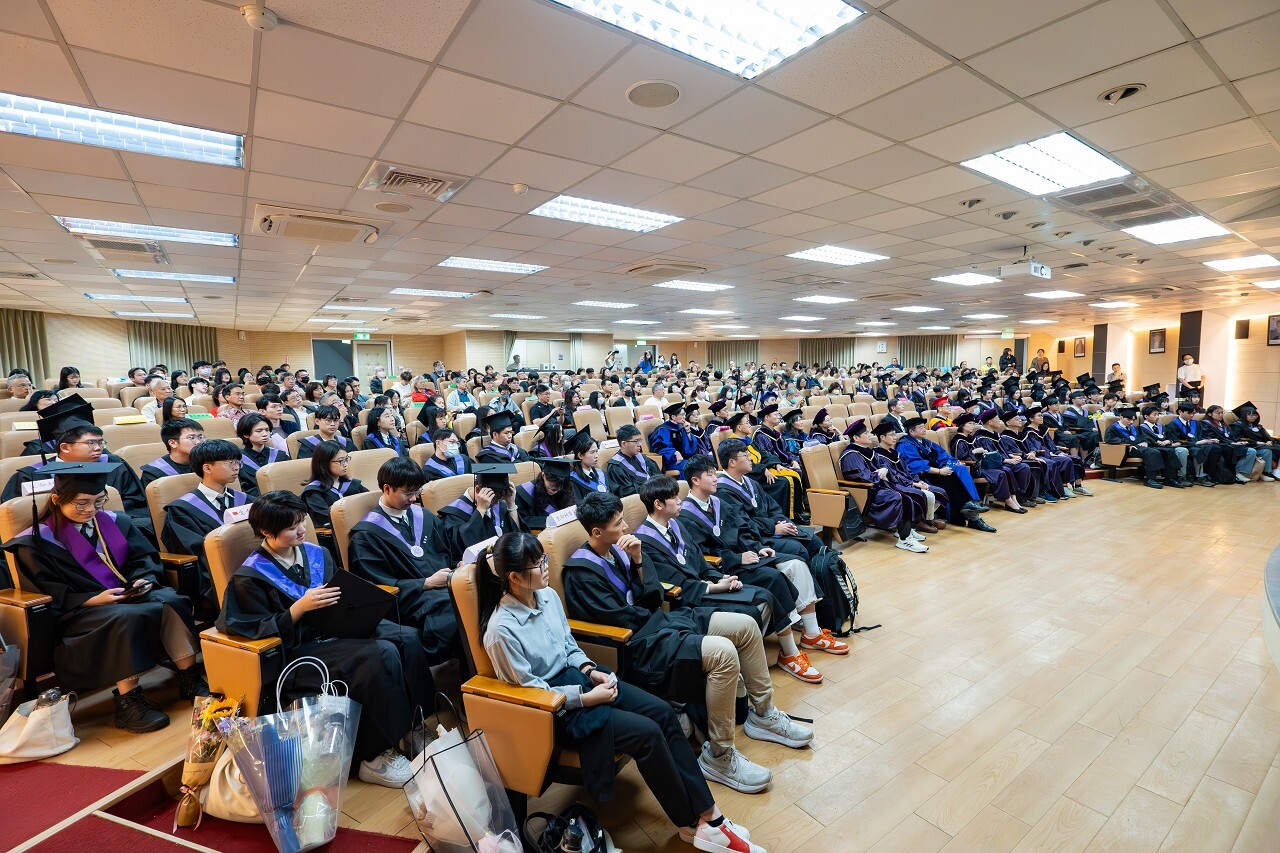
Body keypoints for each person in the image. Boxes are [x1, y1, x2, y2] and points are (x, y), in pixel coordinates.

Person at [478, 533, 762, 852]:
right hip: (556, 709)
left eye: (544, 559)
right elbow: (531, 692)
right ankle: (689, 822)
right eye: (537, 564)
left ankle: (710, 815)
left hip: (580, 681)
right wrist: (586, 697)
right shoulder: (501, 630)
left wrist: (591, 670)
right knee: (647, 734)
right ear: (515, 577)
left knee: (663, 714)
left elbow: (569, 646)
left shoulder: (546, 596)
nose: (546, 567)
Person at [565, 492, 813, 795]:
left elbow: (654, 595)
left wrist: (639, 561)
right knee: (723, 653)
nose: (626, 527)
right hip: (641, 646)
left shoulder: (620, 551)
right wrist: (656, 614)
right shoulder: (580, 573)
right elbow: (621, 620)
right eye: (618, 524)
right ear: (596, 532)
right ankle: (720, 755)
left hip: (663, 623)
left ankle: (764, 713)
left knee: (746, 626)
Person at [217, 490, 432, 788]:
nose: (301, 530)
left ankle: (411, 727)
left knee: (406, 637)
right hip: (300, 650)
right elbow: (245, 626)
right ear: (266, 531)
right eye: (291, 527)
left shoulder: (317, 554)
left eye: (301, 521)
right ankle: (373, 756)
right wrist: (297, 609)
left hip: (337, 630)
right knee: (380, 654)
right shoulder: (250, 577)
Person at [1, 461, 208, 733]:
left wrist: (143, 578)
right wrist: (91, 599)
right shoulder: (37, 541)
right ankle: (128, 700)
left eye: (98, 501)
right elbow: (44, 588)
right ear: (57, 500)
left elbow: (143, 558)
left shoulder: (116, 522)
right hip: (78, 611)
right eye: (82, 503)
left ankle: (189, 676)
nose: (91, 509)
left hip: (125, 595)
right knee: (124, 617)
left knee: (171, 600)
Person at [343, 458, 462, 668]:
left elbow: (447, 551)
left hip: (443, 586)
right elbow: (374, 588)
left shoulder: (423, 516)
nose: (414, 499)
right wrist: (425, 583)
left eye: (417, 492)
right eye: (408, 493)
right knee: (456, 606)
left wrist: (458, 567)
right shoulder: (366, 535)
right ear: (387, 489)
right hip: (409, 600)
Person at [2, 399, 150, 533]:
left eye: (100, 442)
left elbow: (137, 506)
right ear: (65, 447)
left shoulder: (114, 465)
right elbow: (15, 520)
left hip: (114, 532)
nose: (98, 448)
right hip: (57, 539)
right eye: (90, 443)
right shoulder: (31, 476)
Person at [162, 439, 254, 614]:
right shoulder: (182, 510)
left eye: (238, 462)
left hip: (253, 565)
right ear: (207, 468)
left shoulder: (246, 501)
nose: (237, 468)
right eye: (230, 463)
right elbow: (196, 551)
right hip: (215, 573)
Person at [839, 420, 927, 552]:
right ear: (856, 438)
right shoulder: (851, 455)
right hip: (868, 492)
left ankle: (906, 532)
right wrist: (878, 474)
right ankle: (904, 540)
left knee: (908, 494)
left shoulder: (868, 451)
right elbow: (862, 477)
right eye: (866, 433)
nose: (870, 435)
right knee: (899, 497)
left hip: (880, 486)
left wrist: (884, 470)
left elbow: (883, 465)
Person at [896, 417, 995, 531]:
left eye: (924, 427)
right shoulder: (905, 444)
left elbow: (942, 455)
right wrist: (939, 471)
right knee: (950, 478)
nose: (924, 430)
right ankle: (971, 513)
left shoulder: (926, 442)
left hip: (934, 471)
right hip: (920, 476)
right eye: (920, 428)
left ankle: (970, 507)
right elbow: (914, 465)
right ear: (911, 431)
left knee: (956, 470)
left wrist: (951, 463)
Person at [437, 462, 526, 564]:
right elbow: (461, 547)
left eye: (500, 497)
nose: (497, 501)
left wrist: (511, 505)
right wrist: (480, 510)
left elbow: (517, 536)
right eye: (493, 497)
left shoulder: (499, 504)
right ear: (478, 490)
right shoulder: (454, 513)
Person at [950, 413, 1026, 512]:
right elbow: (960, 458)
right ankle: (1008, 501)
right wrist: (974, 452)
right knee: (1001, 473)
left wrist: (984, 452)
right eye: (970, 423)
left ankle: (1014, 499)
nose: (973, 426)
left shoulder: (970, 438)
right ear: (962, 426)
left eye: (973, 423)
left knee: (1007, 470)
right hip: (974, 469)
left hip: (982, 465)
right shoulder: (958, 440)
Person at [1105, 407, 1183, 489]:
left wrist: (1145, 441)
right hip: (1126, 449)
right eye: (1129, 419)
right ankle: (1151, 479)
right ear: (1121, 417)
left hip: (1139, 447)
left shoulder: (1133, 427)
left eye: (1133, 420)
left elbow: (1144, 437)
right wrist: (1127, 444)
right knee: (1152, 452)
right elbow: (1109, 439)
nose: (1131, 422)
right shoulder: (1113, 428)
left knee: (1168, 451)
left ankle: (1170, 478)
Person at [301, 440, 368, 530]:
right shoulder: (314, 491)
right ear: (324, 463)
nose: (345, 464)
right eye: (340, 461)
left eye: (346, 459)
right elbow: (324, 518)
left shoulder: (353, 484)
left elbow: (370, 502)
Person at [1166, 401, 1225, 485]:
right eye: (1189, 413)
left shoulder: (1196, 423)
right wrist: (1196, 443)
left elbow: (1202, 435)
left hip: (1197, 444)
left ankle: (1208, 474)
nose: (1191, 415)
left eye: (1193, 413)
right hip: (1185, 446)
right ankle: (1194, 476)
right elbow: (1177, 441)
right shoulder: (1173, 425)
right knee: (1197, 450)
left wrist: (1209, 440)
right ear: (1180, 412)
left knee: (1215, 448)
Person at [235, 412, 288, 498]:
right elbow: (244, 490)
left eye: (267, 430)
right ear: (246, 434)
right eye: (259, 431)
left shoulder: (280, 456)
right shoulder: (238, 461)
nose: (265, 434)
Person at [140, 417, 205, 486]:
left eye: (200, 437)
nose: (198, 442)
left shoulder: (206, 463)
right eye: (191, 438)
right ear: (173, 443)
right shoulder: (154, 473)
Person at [1137, 405, 1191, 486]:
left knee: (1171, 451)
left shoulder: (1161, 427)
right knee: (1166, 452)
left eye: (1158, 414)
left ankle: (1172, 478)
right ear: (1146, 416)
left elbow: (1170, 437)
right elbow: (1144, 439)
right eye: (1154, 415)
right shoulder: (1141, 428)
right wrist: (1156, 442)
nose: (1157, 417)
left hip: (1165, 446)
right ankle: (1166, 478)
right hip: (1153, 447)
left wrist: (1168, 440)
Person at [514, 458, 575, 530]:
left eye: (560, 487)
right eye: (552, 486)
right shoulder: (523, 493)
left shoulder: (565, 488)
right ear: (543, 475)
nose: (557, 490)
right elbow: (522, 520)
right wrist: (547, 520)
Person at [1202, 405, 1255, 483]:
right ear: (1209, 414)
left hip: (1229, 443)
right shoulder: (1205, 424)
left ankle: (1238, 473)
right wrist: (1232, 443)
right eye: (1218, 413)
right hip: (1218, 444)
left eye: (1222, 413)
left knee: (1248, 449)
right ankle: (1232, 473)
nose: (1221, 415)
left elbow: (1231, 436)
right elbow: (1212, 438)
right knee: (1229, 449)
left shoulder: (1224, 425)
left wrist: (1236, 442)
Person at [605, 424, 661, 497]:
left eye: (640, 441)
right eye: (636, 441)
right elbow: (627, 493)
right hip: (641, 499)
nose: (639, 445)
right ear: (624, 444)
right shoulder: (616, 467)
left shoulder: (642, 458)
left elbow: (658, 476)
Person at [648, 401, 702, 476]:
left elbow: (689, 449)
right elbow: (660, 447)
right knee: (691, 466)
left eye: (684, 414)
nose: (684, 417)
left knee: (701, 463)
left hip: (682, 459)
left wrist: (688, 431)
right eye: (682, 415)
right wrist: (675, 452)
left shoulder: (680, 427)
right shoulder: (664, 429)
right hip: (670, 462)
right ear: (673, 417)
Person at [1231, 402, 1277, 481]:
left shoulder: (1258, 426)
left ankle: (1262, 473)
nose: (1254, 417)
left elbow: (1266, 436)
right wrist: (1255, 442)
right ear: (1244, 415)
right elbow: (1239, 438)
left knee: (1267, 451)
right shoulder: (1237, 425)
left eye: (1255, 415)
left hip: (1259, 446)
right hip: (1245, 446)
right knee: (1253, 451)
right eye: (1250, 415)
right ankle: (1241, 473)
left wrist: (1269, 441)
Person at [567, 428, 609, 502]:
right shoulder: (573, 480)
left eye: (597, 451)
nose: (596, 456)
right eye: (592, 452)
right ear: (580, 455)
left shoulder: (601, 474)